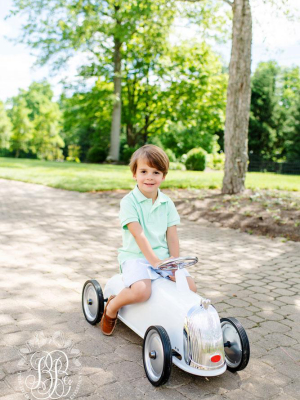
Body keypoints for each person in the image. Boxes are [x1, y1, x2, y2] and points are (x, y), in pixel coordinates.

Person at [100, 144, 197, 335]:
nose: (150, 177)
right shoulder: (129, 202)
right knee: (142, 291)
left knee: (190, 287)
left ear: (163, 176)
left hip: (163, 259)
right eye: (144, 171)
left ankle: (170, 320)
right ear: (134, 174)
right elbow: (138, 234)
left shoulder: (167, 202)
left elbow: (172, 235)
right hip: (136, 257)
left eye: (156, 172)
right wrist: (155, 262)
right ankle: (112, 307)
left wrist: (173, 264)